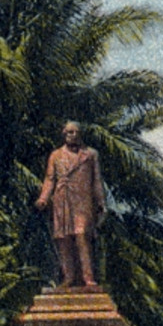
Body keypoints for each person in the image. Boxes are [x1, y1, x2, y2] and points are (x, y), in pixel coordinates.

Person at [34, 121, 106, 288]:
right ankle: (69, 277)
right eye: (69, 132)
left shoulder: (90, 154)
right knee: (64, 238)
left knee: (82, 235)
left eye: (75, 132)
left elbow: (96, 181)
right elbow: (50, 179)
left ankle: (88, 278)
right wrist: (44, 198)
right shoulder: (56, 155)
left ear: (80, 134)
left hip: (83, 200)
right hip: (62, 199)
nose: (72, 135)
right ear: (64, 134)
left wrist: (101, 202)